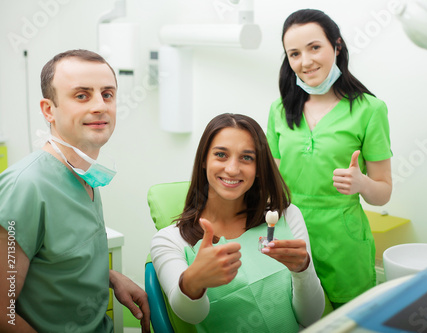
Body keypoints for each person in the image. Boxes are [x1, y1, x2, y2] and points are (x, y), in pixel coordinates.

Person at [0, 49, 150, 332]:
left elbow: (55, 262)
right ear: (48, 110)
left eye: (107, 94)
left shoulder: (86, 173)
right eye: (82, 95)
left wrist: (109, 276)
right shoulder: (25, 187)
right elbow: (2, 312)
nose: (100, 106)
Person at [150, 113, 324, 332]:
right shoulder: (169, 240)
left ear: (259, 168)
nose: (232, 169)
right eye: (221, 155)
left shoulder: (286, 216)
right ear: (204, 160)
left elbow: (311, 317)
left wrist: (303, 270)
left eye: (247, 158)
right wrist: (193, 281)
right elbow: (192, 315)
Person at [266, 9, 393, 309]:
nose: (305, 61)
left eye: (314, 47)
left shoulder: (370, 110)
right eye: (294, 54)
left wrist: (361, 183)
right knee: (294, 317)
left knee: (351, 319)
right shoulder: (279, 110)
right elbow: (274, 181)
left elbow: (383, 192)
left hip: (343, 243)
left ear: (336, 46)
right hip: (290, 236)